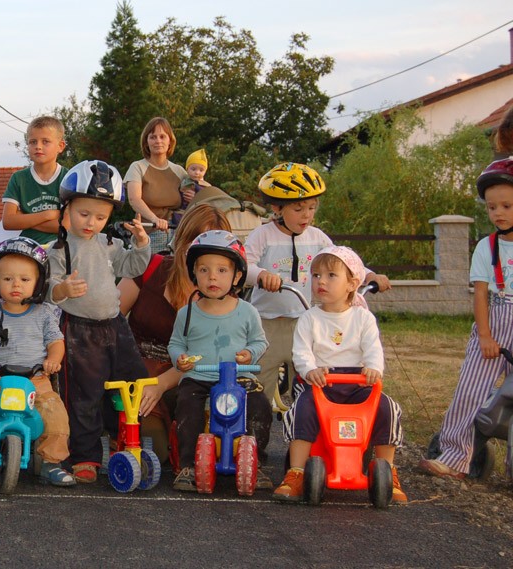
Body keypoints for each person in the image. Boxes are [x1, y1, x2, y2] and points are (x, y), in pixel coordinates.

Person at [244, 162, 390, 406]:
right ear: (276, 208)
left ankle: (305, 430)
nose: (307, 215)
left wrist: (369, 275)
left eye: (312, 208)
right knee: (260, 383)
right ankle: (256, 434)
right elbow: (244, 264)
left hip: (304, 320)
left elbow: (342, 261)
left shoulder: (317, 236)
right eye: (299, 209)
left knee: (310, 379)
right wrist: (260, 275)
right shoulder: (263, 235)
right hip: (267, 323)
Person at [274, 246, 407, 504]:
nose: (321, 281)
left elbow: (373, 348)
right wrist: (310, 370)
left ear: (352, 284)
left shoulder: (363, 318)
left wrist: (373, 369)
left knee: (387, 407)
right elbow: (301, 351)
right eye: (315, 276)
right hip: (320, 382)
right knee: (302, 407)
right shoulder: (309, 318)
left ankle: (387, 468)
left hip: (357, 382)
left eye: (331, 276)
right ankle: (297, 471)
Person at [47, 160, 150, 483]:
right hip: (78, 330)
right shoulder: (60, 249)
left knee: (131, 382)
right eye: (84, 214)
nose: (92, 222)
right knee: (83, 395)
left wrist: (142, 244)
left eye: (101, 216)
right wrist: (63, 288)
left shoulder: (110, 243)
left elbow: (133, 266)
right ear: (67, 209)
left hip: (115, 327)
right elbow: (49, 288)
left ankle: (125, 440)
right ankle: (85, 455)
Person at [0, 238, 74, 488]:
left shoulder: (44, 315)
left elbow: (56, 342)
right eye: (7, 279)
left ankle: (52, 463)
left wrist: (53, 360)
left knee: (55, 414)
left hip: (36, 381)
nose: (16, 284)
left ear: (38, 283)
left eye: (25, 280)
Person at [117, 204, 231, 467]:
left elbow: (207, 355)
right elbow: (110, 319)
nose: (202, 249)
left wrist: (161, 383)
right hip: (136, 372)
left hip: (186, 381)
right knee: (154, 449)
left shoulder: (223, 293)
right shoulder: (151, 266)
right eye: (196, 239)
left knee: (192, 454)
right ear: (181, 239)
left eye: (213, 242)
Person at [420, 158, 513, 479]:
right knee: (470, 391)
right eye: (491, 207)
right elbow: (480, 296)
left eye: (506, 206)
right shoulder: (487, 248)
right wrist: (485, 336)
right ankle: (455, 456)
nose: (498, 213)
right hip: (494, 319)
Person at [167, 230, 272, 492]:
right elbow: (176, 343)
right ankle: (189, 465)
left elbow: (260, 341)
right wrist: (179, 359)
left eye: (222, 270)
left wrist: (250, 354)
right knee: (186, 405)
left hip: (239, 377)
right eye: (204, 270)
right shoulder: (186, 312)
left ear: (237, 276)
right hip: (200, 377)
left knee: (259, 405)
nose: (212, 276)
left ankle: (255, 463)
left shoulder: (247, 311)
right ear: (194, 274)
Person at [125, 117, 195, 254]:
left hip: (177, 233)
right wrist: (155, 219)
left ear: (170, 141)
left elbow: (198, 193)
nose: (158, 141)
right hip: (149, 232)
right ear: (146, 141)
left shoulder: (179, 172)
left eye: (162, 136)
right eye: (153, 137)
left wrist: (194, 196)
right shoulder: (138, 167)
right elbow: (134, 199)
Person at [1, 115, 68, 245]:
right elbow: (8, 222)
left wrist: (22, 218)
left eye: (45, 141)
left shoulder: (69, 178)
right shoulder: (18, 178)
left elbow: (66, 226)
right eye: (33, 142)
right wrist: (47, 215)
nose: (38, 146)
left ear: (60, 146)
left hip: (59, 249)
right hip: (25, 248)